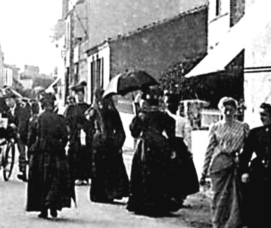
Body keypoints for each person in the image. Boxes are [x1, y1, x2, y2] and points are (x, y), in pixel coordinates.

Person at [201, 97, 249, 228]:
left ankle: (236, 226)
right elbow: (209, 150)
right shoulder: (215, 127)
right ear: (220, 110)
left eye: (231, 109)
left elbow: (248, 148)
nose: (228, 112)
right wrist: (204, 171)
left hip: (237, 164)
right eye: (225, 109)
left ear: (236, 110)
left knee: (237, 198)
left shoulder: (243, 127)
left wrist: (246, 166)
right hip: (219, 166)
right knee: (220, 200)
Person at [127, 86, 180, 216]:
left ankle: (143, 204)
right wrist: (172, 147)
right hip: (161, 146)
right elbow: (171, 131)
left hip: (146, 145)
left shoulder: (142, 115)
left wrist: (137, 114)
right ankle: (160, 204)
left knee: (143, 173)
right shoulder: (163, 115)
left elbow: (134, 133)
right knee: (160, 174)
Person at [26, 92, 74, 219]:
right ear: (53, 105)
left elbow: (30, 138)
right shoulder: (59, 119)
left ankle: (43, 209)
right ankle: (54, 206)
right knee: (55, 180)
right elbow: (65, 137)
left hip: (40, 153)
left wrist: (31, 151)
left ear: (42, 105)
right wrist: (60, 147)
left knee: (40, 180)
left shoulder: (36, 119)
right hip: (56, 152)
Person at [86, 88, 130, 203]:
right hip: (103, 143)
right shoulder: (96, 111)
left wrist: (117, 143)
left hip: (105, 143)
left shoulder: (108, 112)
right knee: (103, 169)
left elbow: (120, 131)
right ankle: (103, 194)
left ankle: (105, 194)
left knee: (104, 169)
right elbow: (88, 126)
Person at [164, 91, 200, 205]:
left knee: (177, 171)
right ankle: (175, 195)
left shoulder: (181, 120)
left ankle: (176, 195)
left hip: (174, 145)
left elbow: (188, 137)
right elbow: (188, 138)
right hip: (173, 145)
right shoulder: (180, 120)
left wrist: (189, 150)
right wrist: (188, 150)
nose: (172, 105)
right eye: (170, 103)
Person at [64, 82, 93, 185]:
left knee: (85, 154)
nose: (79, 97)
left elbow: (90, 122)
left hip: (86, 135)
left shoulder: (87, 107)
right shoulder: (71, 108)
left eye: (81, 94)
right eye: (77, 95)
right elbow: (66, 121)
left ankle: (85, 176)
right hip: (74, 135)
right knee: (75, 155)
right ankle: (76, 176)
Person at [4, 91, 31, 180]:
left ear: (14, 100)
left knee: (22, 151)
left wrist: (18, 133)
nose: (8, 103)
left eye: (9, 100)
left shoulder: (21, 109)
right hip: (15, 132)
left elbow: (22, 123)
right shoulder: (8, 112)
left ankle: (23, 171)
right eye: (6, 101)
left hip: (24, 132)